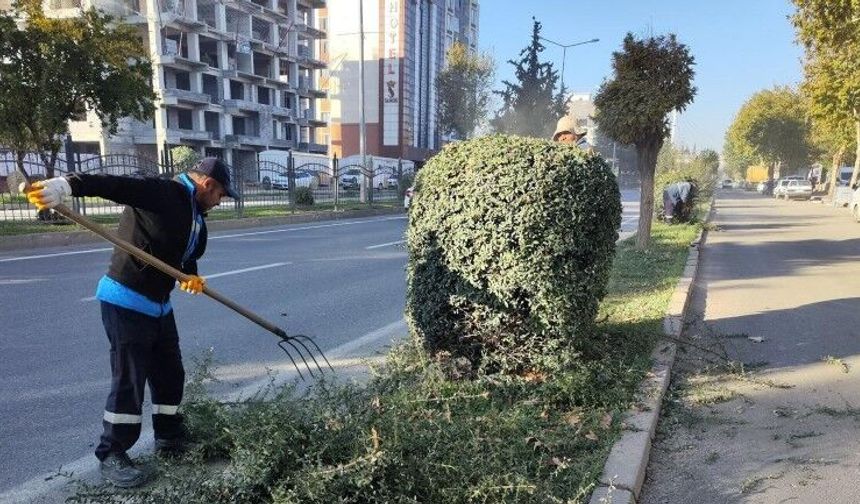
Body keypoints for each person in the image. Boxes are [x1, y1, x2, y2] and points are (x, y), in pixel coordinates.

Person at [24, 157, 238, 488]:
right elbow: (115, 185)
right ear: (208, 185)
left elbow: (184, 252)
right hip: (126, 299)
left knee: (170, 374)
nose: (221, 201)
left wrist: (190, 276)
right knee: (130, 380)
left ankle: (169, 439)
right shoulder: (164, 192)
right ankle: (112, 453)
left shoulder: (196, 213)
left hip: (159, 306)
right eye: (222, 194)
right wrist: (67, 185)